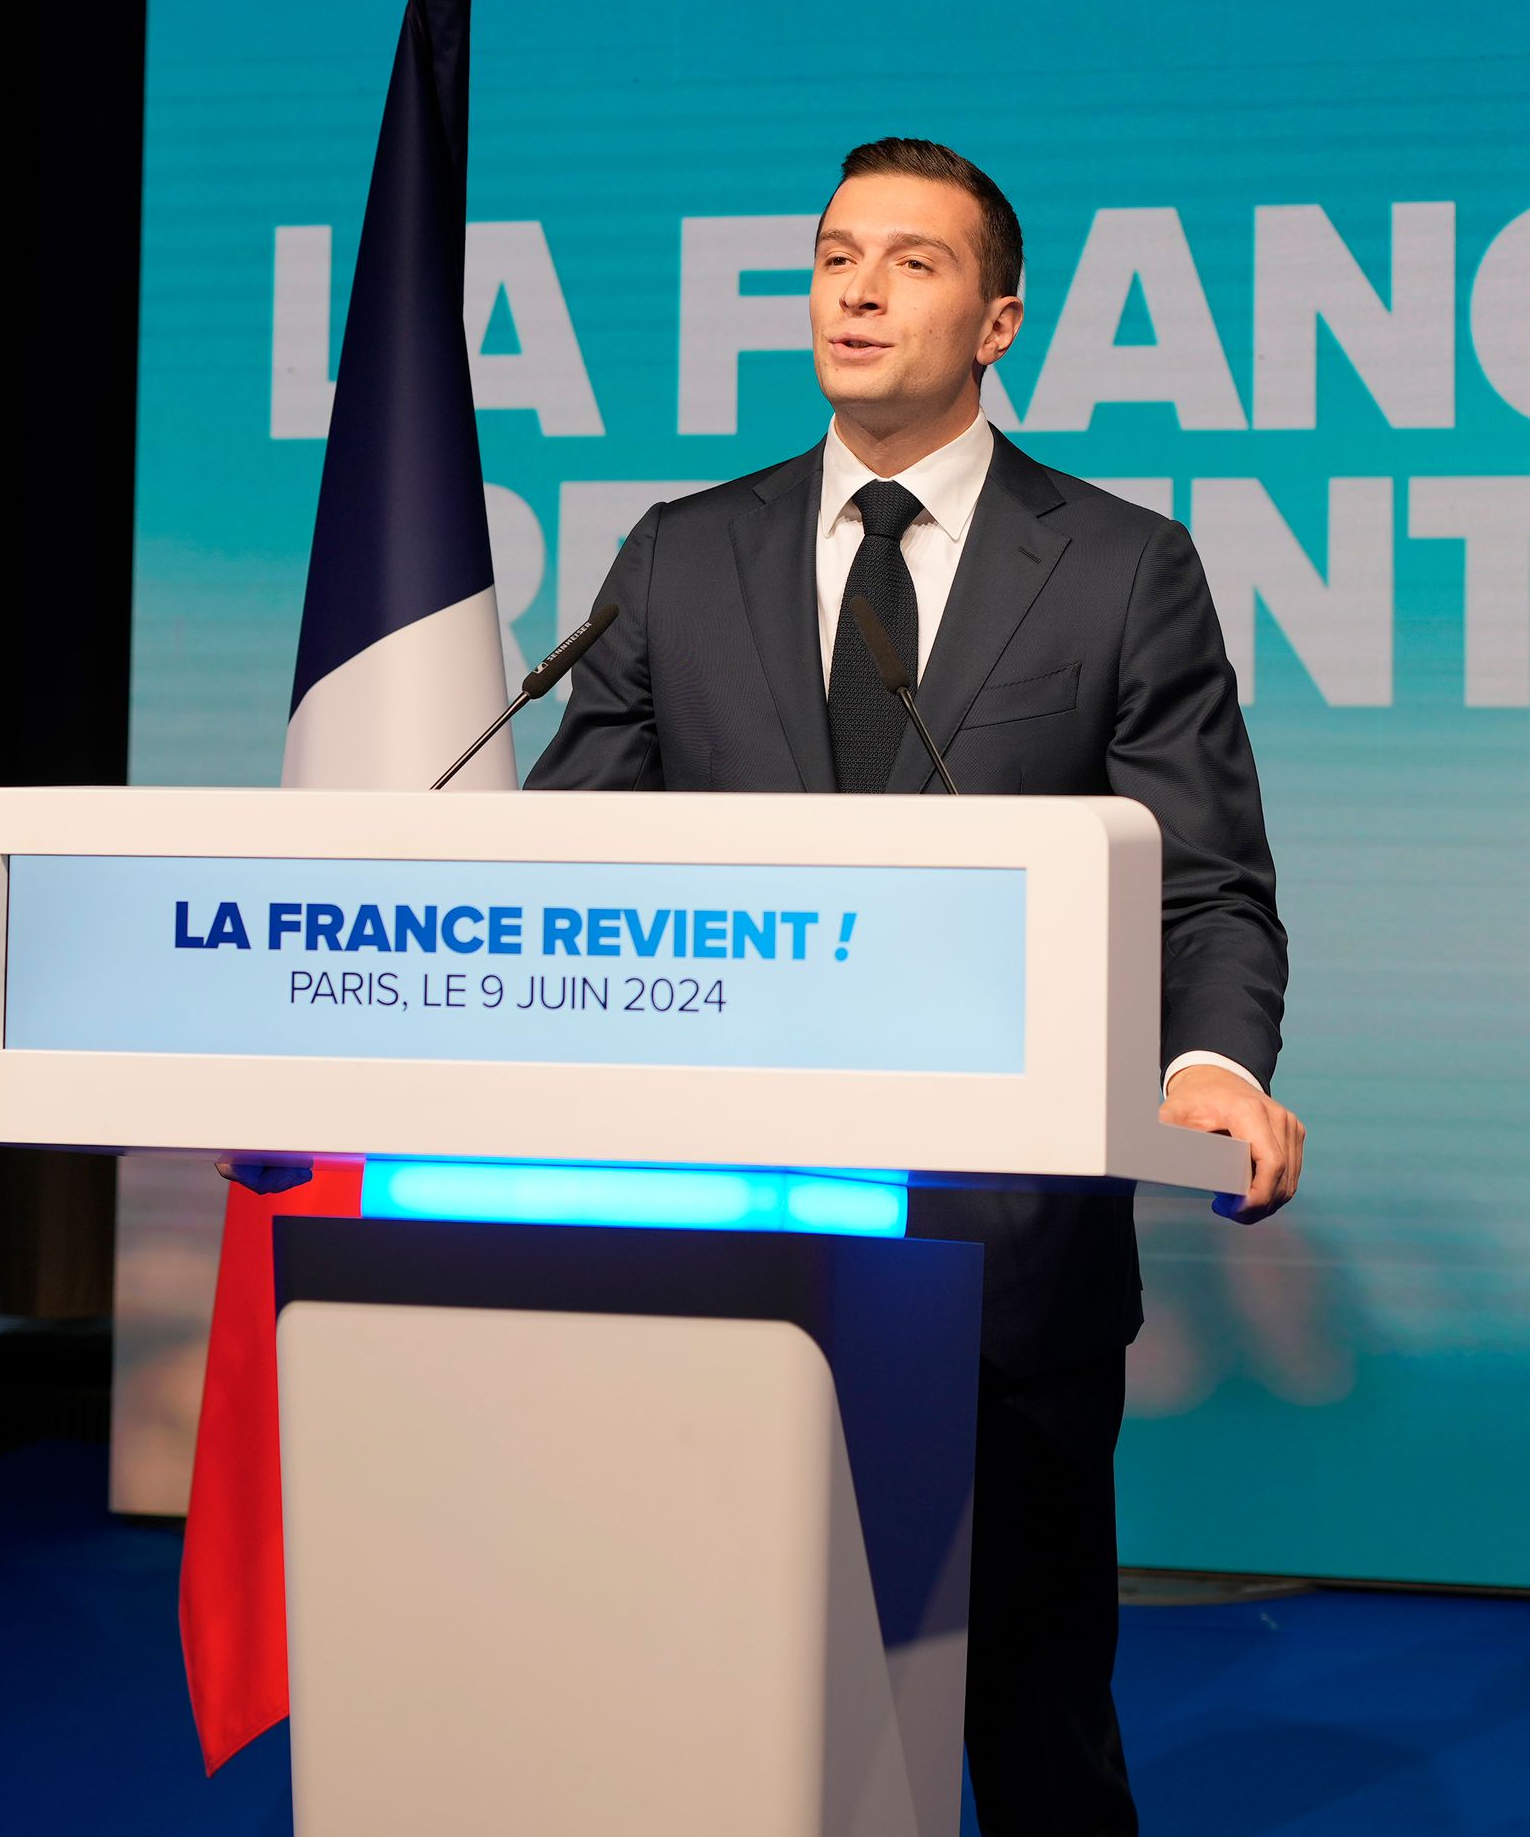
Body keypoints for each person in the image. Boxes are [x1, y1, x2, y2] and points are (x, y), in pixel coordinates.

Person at [528, 136, 1307, 1831]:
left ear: (998, 319)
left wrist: (1216, 1070)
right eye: (832, 256)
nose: (859, 289)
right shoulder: (679, 555)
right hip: (721, 1249)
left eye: (912, 262)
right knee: (728, 1727)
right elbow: (557, 879)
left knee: (1028, 1724)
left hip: (1000, 1252)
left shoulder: (1114, 567)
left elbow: (1210, 887)